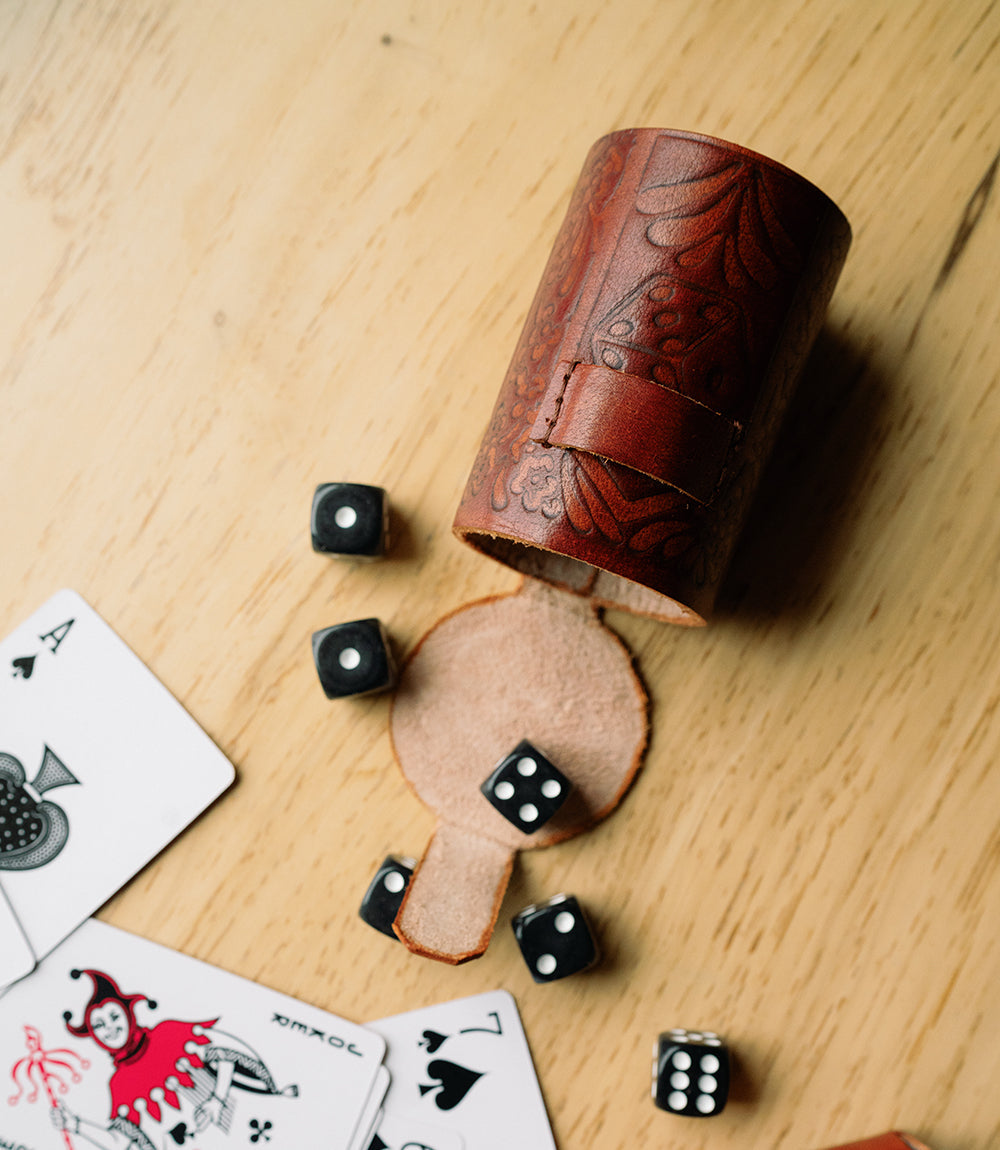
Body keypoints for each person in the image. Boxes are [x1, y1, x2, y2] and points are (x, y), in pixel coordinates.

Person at [51, 969, 297, 1150]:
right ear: (94, 1035)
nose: (111, 1028)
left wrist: (217, 1100)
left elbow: (224, 1057)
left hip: (247, 1123)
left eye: (114, 1016)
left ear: (127, 1013)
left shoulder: (167, 1033)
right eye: (100, 1025)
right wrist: (76, 1125)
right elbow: (123, 1142)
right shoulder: (119, 1084)